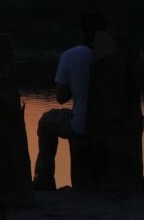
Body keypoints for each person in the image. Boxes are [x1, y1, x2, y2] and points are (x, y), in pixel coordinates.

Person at [32, 13, 107, 190]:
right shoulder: (114, 55)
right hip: (111, 123)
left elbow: (61, 97)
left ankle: (44, 178)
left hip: (81, 124)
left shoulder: (72, 55)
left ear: (82, 33)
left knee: (45, 121)